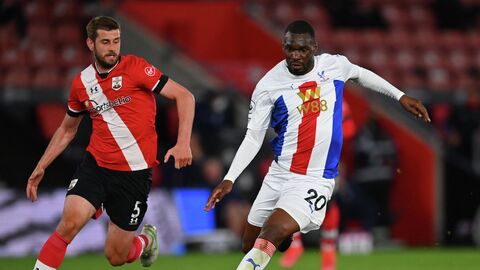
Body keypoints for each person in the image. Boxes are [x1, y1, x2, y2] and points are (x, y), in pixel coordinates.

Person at [204, 20, 430, 270]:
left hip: (315, 178)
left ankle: (284, 235)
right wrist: (230, 178)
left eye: (302, 49)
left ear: (314, 47)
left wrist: (399, 96)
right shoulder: (268, 86)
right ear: (283, 47)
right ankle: (284, 238)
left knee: (271, 232)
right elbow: (254, 137)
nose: (296, 55)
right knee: (249, 244)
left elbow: (361, 74)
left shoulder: (333, 66)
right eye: (290, 49)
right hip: (279, 174)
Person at [26, 16, 195, 269]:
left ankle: (146, 241)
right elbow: (66, 130)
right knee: (69, 224)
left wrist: (183, 143)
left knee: (117, 257)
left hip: (134, 175)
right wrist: (41, 165)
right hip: (96, 166)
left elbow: (185, 96)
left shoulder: (136, 68)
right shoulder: (81, 83)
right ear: (90, 44)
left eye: (116, 41)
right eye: (105, 42)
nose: (112, 48)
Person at [279, 100, 357, 270]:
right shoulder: (301, 98)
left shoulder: (338, 101)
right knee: (292, 199)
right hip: (301, 159)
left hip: (328, 161)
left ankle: (328, 248)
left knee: (329, 203)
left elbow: (350, 129)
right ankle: (295, 244)